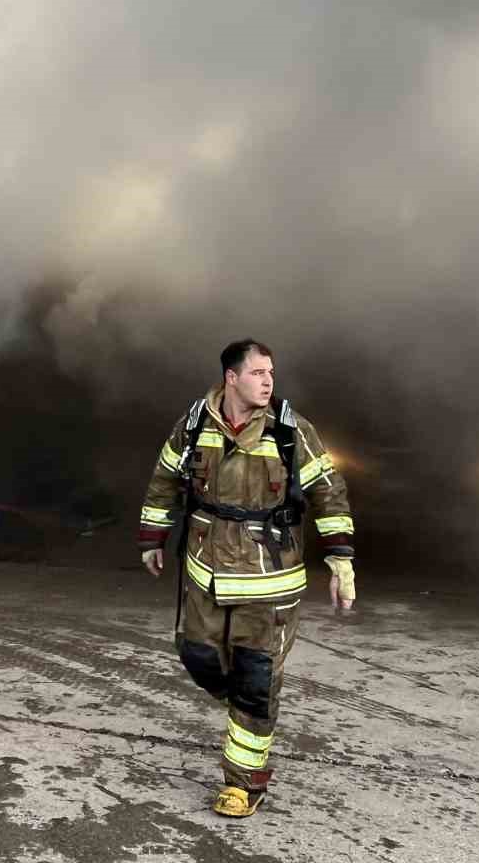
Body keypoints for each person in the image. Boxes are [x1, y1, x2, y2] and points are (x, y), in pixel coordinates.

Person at [139, 338, 356, 818]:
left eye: (271, 373)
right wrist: (153, 537)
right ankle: (245, 704)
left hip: (269, 581)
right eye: (258, 373)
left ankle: (243, 784)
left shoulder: (290, 429)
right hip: (206, 573)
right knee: (197, 655)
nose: (268, 381)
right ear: (231, 378)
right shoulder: (194, 424)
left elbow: (328, 490)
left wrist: (341, 558)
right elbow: (165, 478)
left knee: (257, 680)